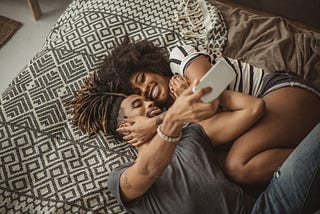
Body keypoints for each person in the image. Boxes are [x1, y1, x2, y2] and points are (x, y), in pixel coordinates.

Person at [66, 75, 320, 213]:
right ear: (125, 128)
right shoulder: (121, 178)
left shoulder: (191, 134)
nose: (149, 104)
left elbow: (251, 109)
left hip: (268, 206)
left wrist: (206, 91)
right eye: (138, 106)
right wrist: (173, 116)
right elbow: (148, 170)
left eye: (146, 100)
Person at [97, 38, 320, 187]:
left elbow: (209, 100)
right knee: (241, 170)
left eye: (142, 79)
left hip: (281, 93)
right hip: (265, 124)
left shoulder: (178, 57)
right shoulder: (171, 117)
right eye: (138, 92)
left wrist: (154, 123)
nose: (146, 90)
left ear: (149, 65)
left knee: (237, 166)